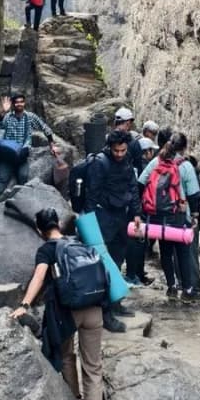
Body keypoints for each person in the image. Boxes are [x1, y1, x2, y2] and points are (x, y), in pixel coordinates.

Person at [11, 208, 108, 400]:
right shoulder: (78, 243)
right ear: (58, 225)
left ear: (39, 229)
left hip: (68, 313)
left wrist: (25, 305)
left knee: (66, 357)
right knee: (93, 367)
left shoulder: (47, 250)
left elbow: (39, 278)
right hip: (94, 309)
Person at [84, 128, 143, 332]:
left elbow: (133, 187)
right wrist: (90, 223)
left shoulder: (127, 160)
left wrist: (137, 213)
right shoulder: (100, 163)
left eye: (123, 150)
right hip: (103, 216)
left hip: (121, 216)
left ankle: (115, 302)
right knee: (103, 265)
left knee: (118, 261)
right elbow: (91, 194)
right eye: (116, 150)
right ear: (110, 147)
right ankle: (105, 313)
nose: (119, 154)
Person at [141, 135, 200, 305]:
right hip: (179, 215)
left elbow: (140, 182)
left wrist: (144, 209)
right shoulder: (186, 166)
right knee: (183, 253)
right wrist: (194, 215)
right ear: (184, 148)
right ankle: (187, 290)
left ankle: (172, 287)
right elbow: (193, 194)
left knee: (165, 252)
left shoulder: (156, 162)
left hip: (159, 215)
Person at [0, 93, 58, 201]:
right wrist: (3, 112)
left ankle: (20, 201)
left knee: (23, 177)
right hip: (8, 152)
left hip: (22, 153)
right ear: (13, 104)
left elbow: (45, 128)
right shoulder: (8, 116)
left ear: (24, 103)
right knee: (2, 179)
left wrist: (52, 144)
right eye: (17, 102)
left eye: (21, 102)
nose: (19, 104)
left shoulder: (30, 117)